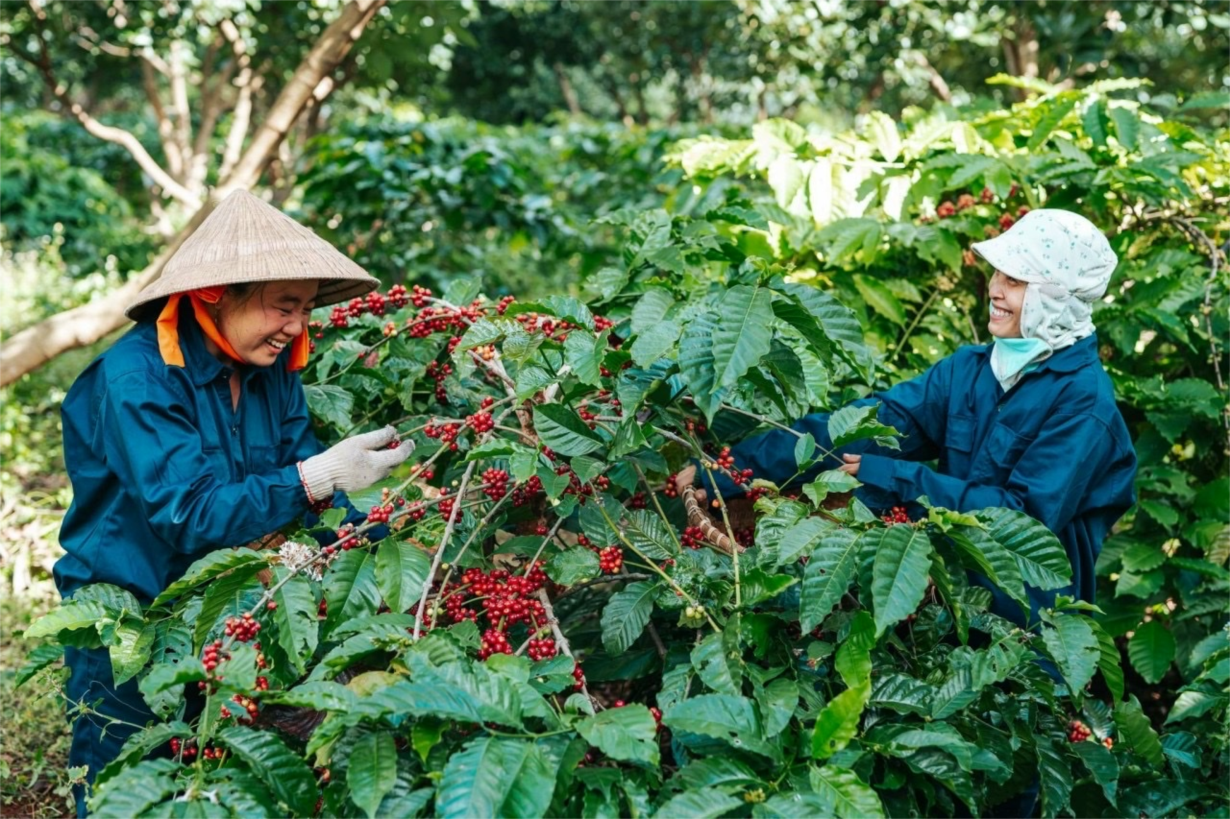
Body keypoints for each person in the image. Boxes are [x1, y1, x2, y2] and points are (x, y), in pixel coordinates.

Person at [53, 190, 414, 816]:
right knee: (123, 785)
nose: (297, 326)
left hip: (225, 607)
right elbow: (189, 513)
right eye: (283, 306)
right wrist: (317, 477)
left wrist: (382, 549)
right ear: (216, 293)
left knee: (219, 776)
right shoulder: (137, 377)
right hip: (130, 614)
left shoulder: (271, 371)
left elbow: (306, 485)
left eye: (304, 308)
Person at [680, 208, 1137, 625]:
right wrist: (729, 470)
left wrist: (898, 479)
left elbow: (1023, 521)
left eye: (1015, 282)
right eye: (998, 273)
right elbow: (869, 426)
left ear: (1055, 298)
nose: (994, 289)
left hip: (1027, 624)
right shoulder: (973, 370)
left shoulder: (1084, 404)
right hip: (943, 599)